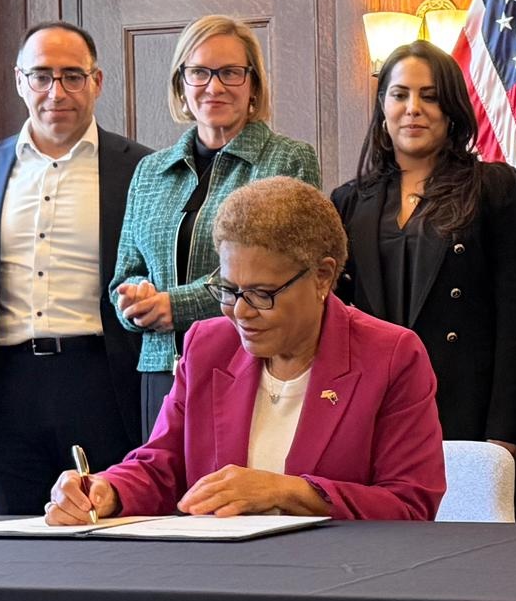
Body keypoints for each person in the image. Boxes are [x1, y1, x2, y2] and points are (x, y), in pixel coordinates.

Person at [47, 177, 445, 523]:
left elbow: (410, 505)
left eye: (261, 294)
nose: (240, 312)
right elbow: (161, 467)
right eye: (229, 290)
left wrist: (288, 492)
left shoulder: (391, 355)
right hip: (223, 580)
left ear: (322, 276)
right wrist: (106, 490)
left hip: (341, 584)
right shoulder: (208, 346)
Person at [0, 21, 150, 514]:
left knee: (111, 543)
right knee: (17, 552)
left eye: (72, 76)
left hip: (104, 384)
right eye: (42, 76)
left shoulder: (140, 168)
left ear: (96, 82)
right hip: (5, 392)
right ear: (20, 81)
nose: (57, 92)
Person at [331, 42, 516, 518]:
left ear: (452, 107)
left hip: (466, 409)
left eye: (430, 95)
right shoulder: (347, 202)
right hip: (374, 410)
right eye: (400, 94)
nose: (413, 109)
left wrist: (503, 433)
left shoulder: (493, 186)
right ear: (383, 105)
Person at [111, 14, 322, 440]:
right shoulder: (149, 171)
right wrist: (134, 299)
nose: (215, 85)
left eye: (230, 72)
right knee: (163, 497)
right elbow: (126, 270)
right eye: (199, 72)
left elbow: (278, 270)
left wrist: (178, 305)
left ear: (253, 85)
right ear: (181, 86)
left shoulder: (287, 160)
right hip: (160, 369)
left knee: (230, 498)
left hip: (249, 361)